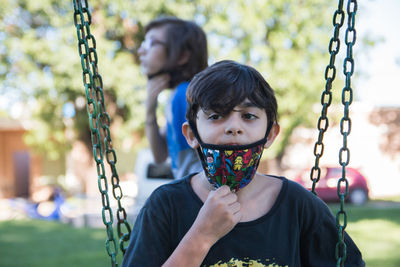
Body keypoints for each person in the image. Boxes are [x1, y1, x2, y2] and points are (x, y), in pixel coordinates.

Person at [122, 60, 365, 266]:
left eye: (248, 116)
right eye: (216, 115)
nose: (234, 127)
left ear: (270, 134)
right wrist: (202, 236)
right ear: (191, 135)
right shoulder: (165, 206)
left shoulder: (298, 206)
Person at [138, 17, 207, 179]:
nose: (141, 51)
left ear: (182, 55)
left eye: (151, 43)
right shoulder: (177, 95)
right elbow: (160, 156)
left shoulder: (186, 95)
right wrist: (150, 108)